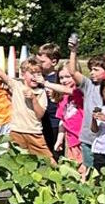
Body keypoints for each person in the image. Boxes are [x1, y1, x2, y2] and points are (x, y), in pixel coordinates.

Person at [0, 56, 54, 162]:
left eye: (38, 74)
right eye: (32, 73)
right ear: (23, 74)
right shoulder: (17, 85)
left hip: (33, 132)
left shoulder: (41, 92)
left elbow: (40, 114)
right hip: (16, 131)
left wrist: (33, 99)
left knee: (48, 161)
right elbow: (1, 74)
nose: (35, 77)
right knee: (16, 160)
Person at [67, 37, 105, 169]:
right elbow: (72, 72)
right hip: (88, 139)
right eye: (91, 69)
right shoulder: (88, 85)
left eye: (96, 69)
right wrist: (73, 51)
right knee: (89, 172)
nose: (92, 73)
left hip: (103, 141)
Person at [40, 64, 84, 172]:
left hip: (84, 142)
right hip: (72, 142)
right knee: (74, 170)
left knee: (85, 172)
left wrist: (46, 83)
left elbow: (67, 90)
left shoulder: (80, 92)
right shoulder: (63, 98)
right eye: (61, 78)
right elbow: (62, 121)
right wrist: (59, 139)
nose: (64, 80)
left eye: (68, 77)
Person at [36, 43, 62, 157]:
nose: (39, 65)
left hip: (55, 121)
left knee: (55, 152)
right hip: (40, 120)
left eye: (42, 62)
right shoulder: (37, 76)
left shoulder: (59, 78)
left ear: (54, 62)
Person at [90, 107, 105, 175]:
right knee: (98, 176)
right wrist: (93, 119)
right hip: (99, 150)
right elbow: (94, 130)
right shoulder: (102, 109)